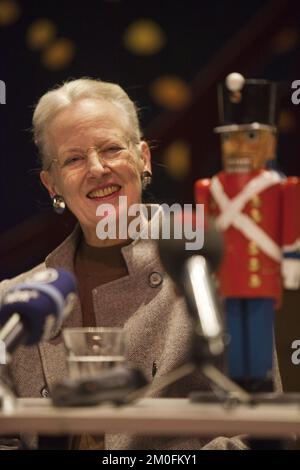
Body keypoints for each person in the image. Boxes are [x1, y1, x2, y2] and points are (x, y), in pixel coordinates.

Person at [0, 77, 280, 450]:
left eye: (112, 149)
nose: (97, 168)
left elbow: (265, 429)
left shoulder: (209, 271)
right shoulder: (17, 301)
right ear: (52, 185)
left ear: (143, 158)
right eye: (74, 158)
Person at [194, 73, 300, 392]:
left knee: (257, 325)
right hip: (226, 271)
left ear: (270, 140)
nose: (238, 146)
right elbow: (204, 230)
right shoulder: (209, 187)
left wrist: (292, 260)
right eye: (230, 138)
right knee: (230, 328)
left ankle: (259, 378)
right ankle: (235, 377)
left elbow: (290, 226)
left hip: (261, 269)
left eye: (250, 137)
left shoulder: (281, 186)